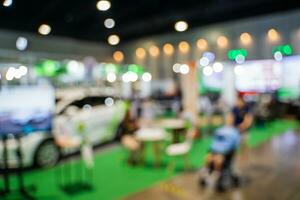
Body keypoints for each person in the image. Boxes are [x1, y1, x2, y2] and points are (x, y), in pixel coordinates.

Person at [200, 113, 240, 188]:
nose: (229, 120)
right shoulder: (220, 129)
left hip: (225, 151)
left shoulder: (235, 131)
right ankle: (205, 172)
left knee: (217, 159)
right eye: (228, 118)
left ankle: (216, 174)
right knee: (208, 158)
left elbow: (235, 145)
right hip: (214, 149)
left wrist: (231, 151)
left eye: (230, 118)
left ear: (233, 120)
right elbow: (214, 139)